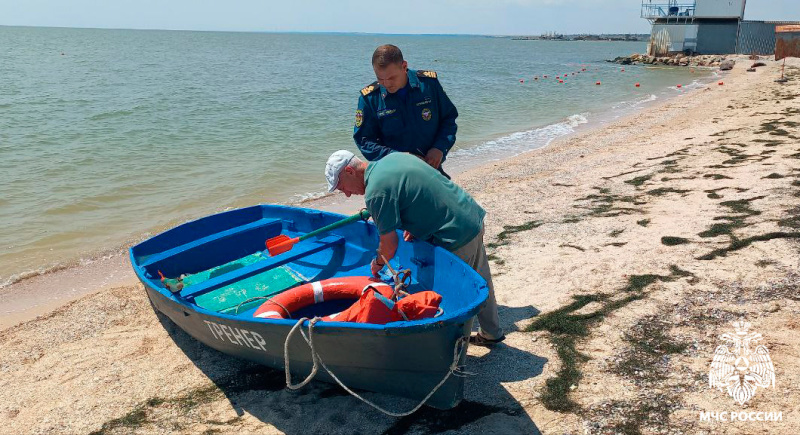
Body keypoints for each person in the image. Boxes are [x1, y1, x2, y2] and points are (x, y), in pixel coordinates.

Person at [324, 149, 504, 346]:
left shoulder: (376, 192)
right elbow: (421, 192)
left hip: (454, 235)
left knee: (460, 296)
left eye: (342, 188)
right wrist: (416, 226)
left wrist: (377, 262)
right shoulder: (393, 159)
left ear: (350, 171)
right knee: (480, 279)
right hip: (469, 216)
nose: (348, 194)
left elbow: (389, 245)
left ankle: (455, 354)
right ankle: (491, 332)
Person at [353, 44, 458, 178]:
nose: (386, 84)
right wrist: (398, 158)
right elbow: (364, 140)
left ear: (404, 66)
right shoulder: (370, 99)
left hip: (432, 170)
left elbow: (448, 119)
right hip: (395, 176)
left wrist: (439, 148)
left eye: (391, 78)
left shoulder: (428, 85)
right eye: (380, 79)